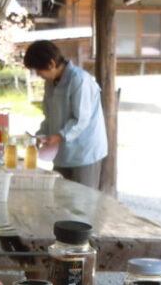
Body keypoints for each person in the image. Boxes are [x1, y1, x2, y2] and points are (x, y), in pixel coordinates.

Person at [23, 40, 108, 188]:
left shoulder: (79, 80)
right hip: (62, 151)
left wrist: (60, 136)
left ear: (51, 64)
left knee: (82, 202)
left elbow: (81, 119)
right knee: (62, 198)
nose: (38, 75)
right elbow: (49, 115)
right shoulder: (50, 82)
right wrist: (41, 134)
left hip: (84, 152)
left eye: (38, 71)